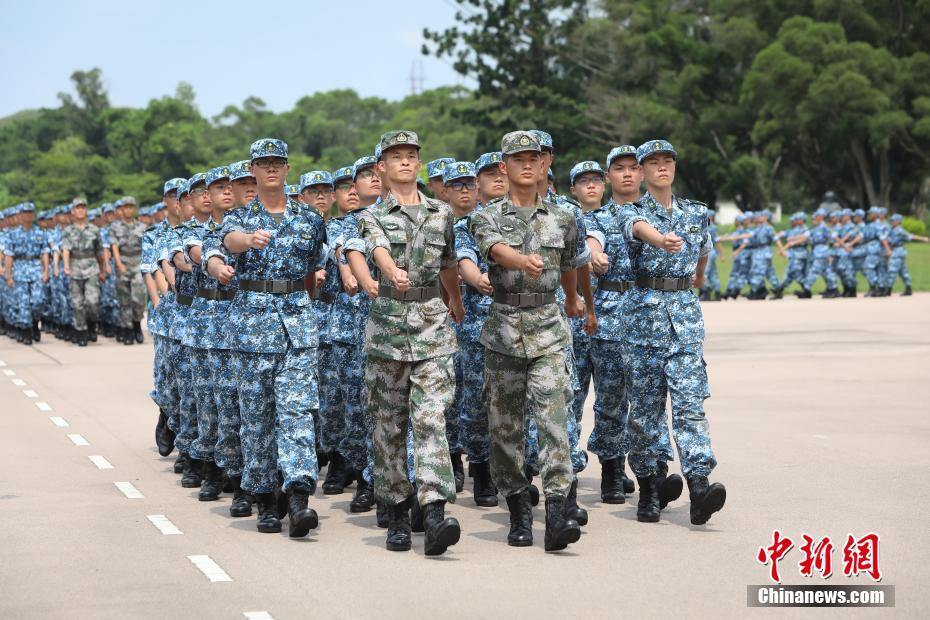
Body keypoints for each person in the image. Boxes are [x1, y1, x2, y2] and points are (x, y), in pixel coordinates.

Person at [345, 130, 464, 556]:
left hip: (433, 326)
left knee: (431, 419)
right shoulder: (370, 215)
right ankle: (396, 509)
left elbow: (448, 262)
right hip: (389, 329)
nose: (406, 162)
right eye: (396, 156)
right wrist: (391, 270)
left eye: (412, 155)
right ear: (381, 167)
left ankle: (434, 512)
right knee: (390, 426)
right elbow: (375, 248)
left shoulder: (441, 212)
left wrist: (455, 300)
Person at [470, 130, 582, 551]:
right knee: (505, 427)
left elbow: (570, 262)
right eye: (518, 159)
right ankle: (517, 506)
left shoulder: (564, 217)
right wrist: (521, 260)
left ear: (544, 162)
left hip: (549, 327)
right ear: (504, 167)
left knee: (554, 418)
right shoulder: (486, 215)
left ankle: (557, 512)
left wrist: (572, 299)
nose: (527, 164)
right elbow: (495, 250)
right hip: (503, 328)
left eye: (534, 157)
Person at [210, 138, 327, 538]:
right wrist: (249, 240)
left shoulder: (310, 219)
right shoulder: (240, 218)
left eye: (278, 162)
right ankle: (264, 497)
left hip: (298, 324)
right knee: (257, 416)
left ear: (288, 168)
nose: (272, 169)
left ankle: (297, 497)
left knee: (296, 412)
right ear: (253, 170)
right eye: (264, 163)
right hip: (253, 327)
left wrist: (304, 307)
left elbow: (313, 269)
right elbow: (229, 242)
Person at [617, 139, 725, 526]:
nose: (662, 168)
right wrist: (661, 239)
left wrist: (693, 281)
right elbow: (638, 228)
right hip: (644, 321)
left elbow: (703, 253)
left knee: (690, 405)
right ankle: (649, 484)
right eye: (654, 163)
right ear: (643, 171)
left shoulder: (696, 213)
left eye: (668, 162)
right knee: (646, 411)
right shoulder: (630, 211)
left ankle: (699, 484)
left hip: (685, 320)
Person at [584, 145, 676, 504]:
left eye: (632, 168)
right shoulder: (599, 218)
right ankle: (611, 470)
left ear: (641, 173)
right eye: (617, 168)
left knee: (652, 398)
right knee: (611, 399)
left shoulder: (659, 215)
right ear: (608, 177)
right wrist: (594, 255)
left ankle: (656, 471)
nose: (626, 174)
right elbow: (593, 242)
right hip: (610, 314)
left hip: (651, 316)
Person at [455, 151, 507, 507]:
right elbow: (464, 262)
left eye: (499, 172)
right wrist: (479, 279)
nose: (497, 179)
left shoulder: (531, 217)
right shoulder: (467, 225)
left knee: (520, 404)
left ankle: (518, 468)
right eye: (488, 175)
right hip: (480, 324)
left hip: (526, 321)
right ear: (477, 185)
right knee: (476, 401)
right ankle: (481, 468)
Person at [60, 197, 106, 346]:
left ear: (86, 210)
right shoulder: (68, 231)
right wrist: (66, 266)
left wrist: (102, 270)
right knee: (77, 302)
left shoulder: (94, 229)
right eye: (77, 208)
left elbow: (100, 252)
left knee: (92, 301)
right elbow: (66, 249)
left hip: (91, 267)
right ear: (73, 211)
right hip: (74, 268)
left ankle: (92, 322)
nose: (80, 210)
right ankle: (81, 331)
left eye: (83, 207)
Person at [3, 202, 49, 345]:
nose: (27, 215)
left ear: (33, 215)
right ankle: (26, 331)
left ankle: (35, 321)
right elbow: (9, 256)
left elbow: (44, 253)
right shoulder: (13, 234)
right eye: (25, 213)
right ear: (21, 215)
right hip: (20, 268)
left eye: (30, 212)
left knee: (38, 300)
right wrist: (9, 275)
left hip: (35, 268)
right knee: (23, 303)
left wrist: (46, 270)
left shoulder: (40, 233)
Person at [109, 196, 148, 343]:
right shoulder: (115, 227)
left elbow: (146, 248)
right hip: (123, 263)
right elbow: (114, 247)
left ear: (134, 209)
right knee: (124, 299)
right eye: (126, 207)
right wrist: (119, 264)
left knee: (138, 298)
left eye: (131, 207)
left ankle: (137, 323)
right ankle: (127, 329)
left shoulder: (142, 227)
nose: (128, 210)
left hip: (138, 263)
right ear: (121, 209)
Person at [797, 209, 837, 298]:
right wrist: (792, 239)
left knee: (814, 270)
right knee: (826, 272)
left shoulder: (824, 227)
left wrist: (832, 251)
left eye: (816, 216)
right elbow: (805, 236)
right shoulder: (815, 227)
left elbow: (832, 238)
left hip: (822, 252)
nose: (814, 218)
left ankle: (806, 290)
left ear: (821, 216)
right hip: (816, 251)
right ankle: (833, 289)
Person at [885, 213, 928, 295]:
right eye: (891, 220)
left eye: (894, 220)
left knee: (892, 270)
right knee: (903, 271)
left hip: (898, 252)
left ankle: (888, 290)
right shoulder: (891, 229)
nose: (892, 221)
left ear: (898, 222)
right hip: (896, 251)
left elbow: (910, 236)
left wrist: (923, 238)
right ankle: (908, 288)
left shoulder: (899, 230)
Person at [774, 212, 810, 295]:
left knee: (795, 271)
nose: (794, 221)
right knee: (790, 272)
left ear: (802, 220)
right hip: (793, 253)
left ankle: (806, 288)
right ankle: (779, 290)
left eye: (797, 219)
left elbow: (805, 237)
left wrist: (793, 241)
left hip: (800, 253)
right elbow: (778, 236)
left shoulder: (805, 229)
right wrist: (782, 249)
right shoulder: (792, 230)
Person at [699, 209, 723, 301]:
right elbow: (718, 241)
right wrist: (721, 254)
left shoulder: (706, 226)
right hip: (712, 252)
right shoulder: (713, 227)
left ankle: (706, 291)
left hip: (707, 252)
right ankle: (717, 293)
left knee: (705, 272)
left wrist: (721, 254)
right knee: (713, 273)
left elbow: (717, 241)